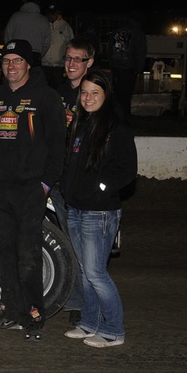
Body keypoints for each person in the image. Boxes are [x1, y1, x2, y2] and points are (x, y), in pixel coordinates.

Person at [0, 39, 66, 340]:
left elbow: (59, 145)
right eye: (7, 61)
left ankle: (34, 316)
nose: (11, 66)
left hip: (31, 188)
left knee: (28, 255)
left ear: (28, 65)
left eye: (17, 60)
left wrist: (46, 183)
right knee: (1, 251)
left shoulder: (46, 97)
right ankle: (11, 311)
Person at [60, 70, 137, 348]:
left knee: (96, 273)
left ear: (106, 95)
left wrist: (102, 186)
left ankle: (114, 329)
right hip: (76, 209)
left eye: (95, 93)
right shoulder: (80, 124)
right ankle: (90, 323)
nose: (88, 98)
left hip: (99, 212)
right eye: (84, 92)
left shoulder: (116, 128)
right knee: (84, 271)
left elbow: (127, 170)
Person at [50, 37, 96, 326]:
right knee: (65, 241)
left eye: (78, 59)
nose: (71, 64)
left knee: (83, 246)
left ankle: (86, 305)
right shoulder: (58, 93)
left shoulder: (94, 94)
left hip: (82, 183)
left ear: (89, 63)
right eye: (68, 58)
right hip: (57, 180)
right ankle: (76, 300)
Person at [107, 11, 147, 121]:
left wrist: (111, 64)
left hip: (116, 67)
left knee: (116, 94)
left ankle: (115, 116)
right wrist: (138, 68)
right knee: (126, 95)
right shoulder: (138, 32)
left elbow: (110, 48)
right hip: (129, 69)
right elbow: (140, 51)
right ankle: (124, 117)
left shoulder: (117, 31)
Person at [3, 0, 51, 67]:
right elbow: (47, 42)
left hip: (17, 53)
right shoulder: (43, 20)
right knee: (35, 77)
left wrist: (11, 51)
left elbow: (8, 37)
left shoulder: (15, 17)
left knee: (17, 77)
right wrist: (40, 54)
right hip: (35, 55)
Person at [41, 4, 75, 90]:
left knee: (58, 89)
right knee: (43, 88)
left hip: (59, 65)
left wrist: (67, 57)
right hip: (44, 64)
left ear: (57, 13)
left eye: (52, 14)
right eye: (48, 14)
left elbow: (72, 44)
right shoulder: (43, 25)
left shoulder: (65, 26)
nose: (50, 16)